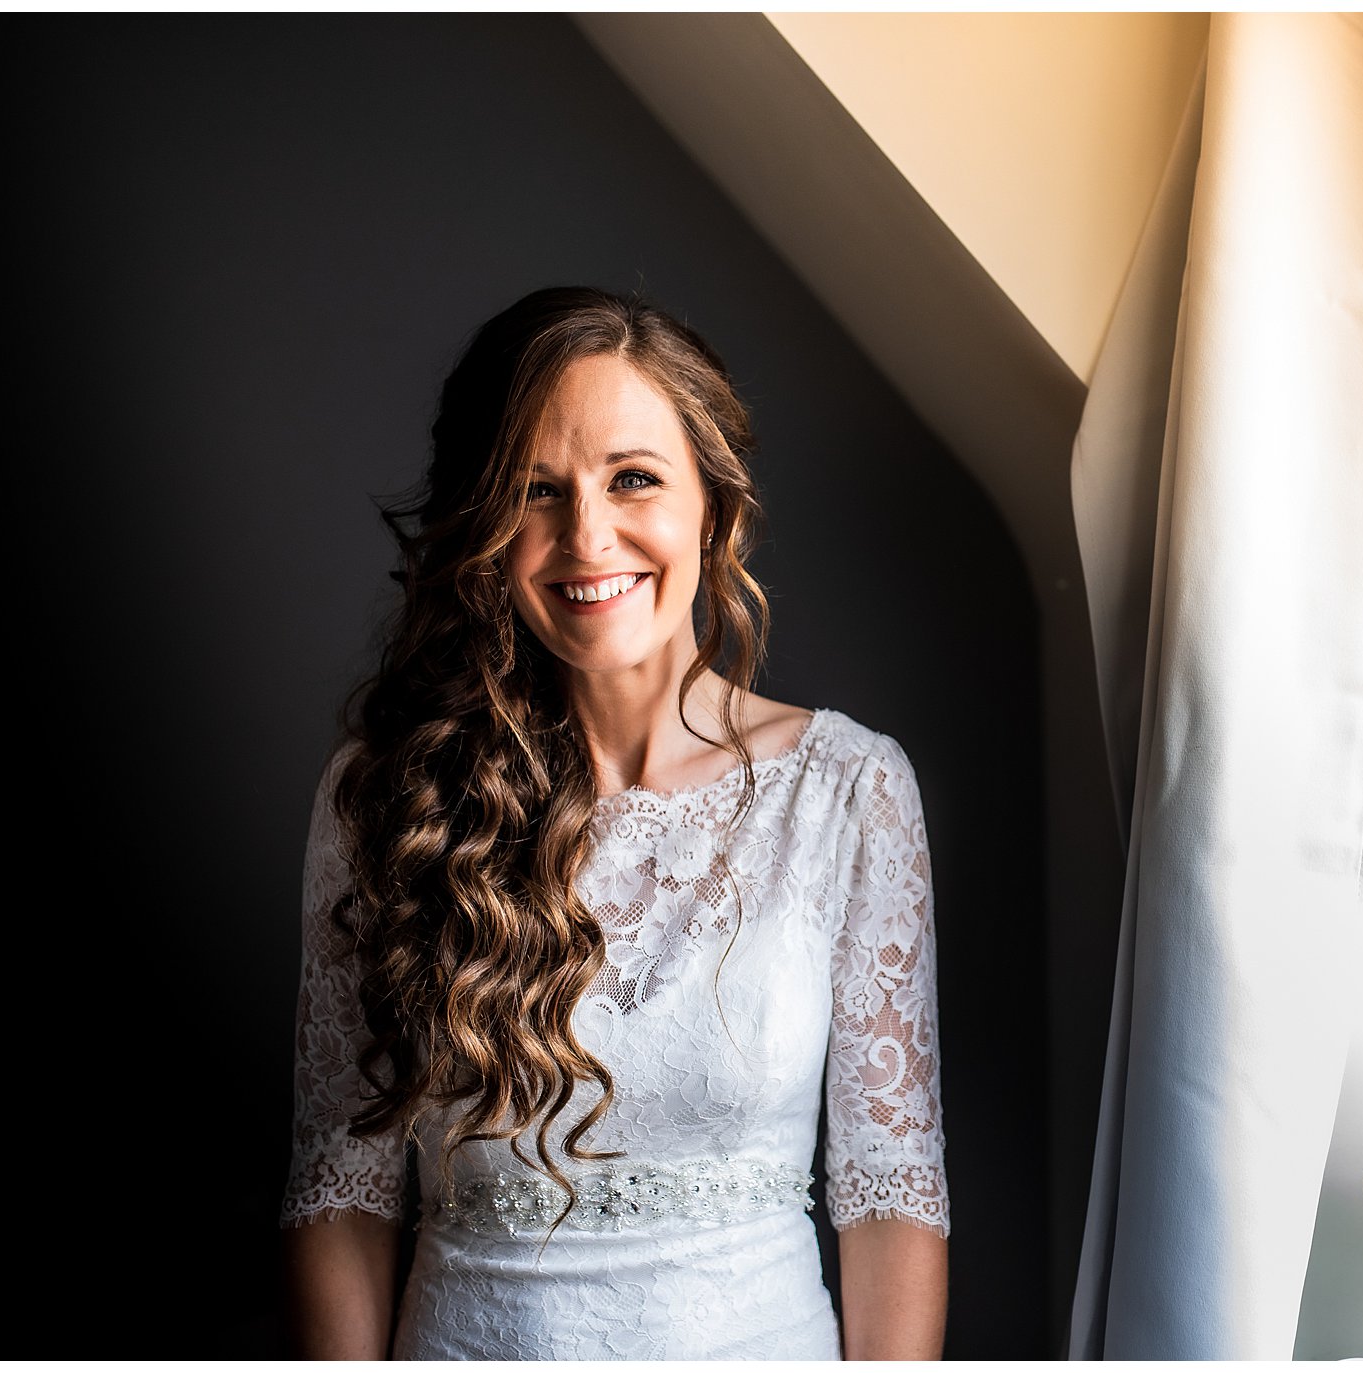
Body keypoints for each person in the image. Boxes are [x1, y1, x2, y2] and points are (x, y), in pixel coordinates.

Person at [279, 286, 949, 1359]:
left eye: (631, 478)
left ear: (710, 505)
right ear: (485, 527)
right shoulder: (384, 794)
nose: (585, 536)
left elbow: (890, 1194)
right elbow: (338, 1190)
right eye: (535, 491)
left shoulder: (847, 790)